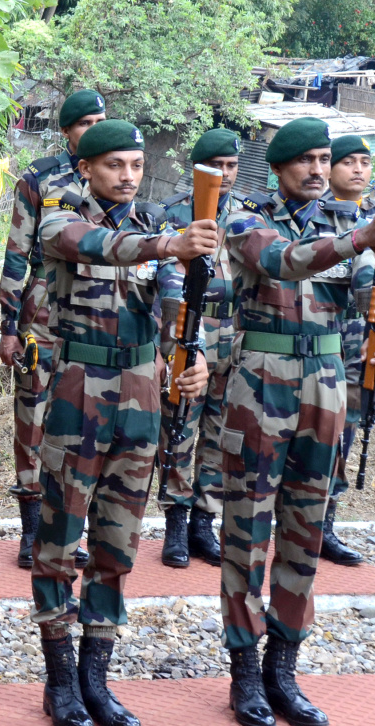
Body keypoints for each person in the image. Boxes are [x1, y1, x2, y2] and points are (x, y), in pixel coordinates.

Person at [32, 119, 216, 726]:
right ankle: (59, 681)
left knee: (117, 542)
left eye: (136, 165)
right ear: (86, 168)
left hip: (139, 397)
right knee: (59, 540)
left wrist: (193, 359)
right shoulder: (60, 221)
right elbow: (96, 248)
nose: (129, 176)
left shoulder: (157, 233)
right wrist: (169, 247)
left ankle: (97, 679)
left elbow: (174, 310)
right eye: (115, 165)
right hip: (78, 392)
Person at [220, 118, 375, 726]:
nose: (320, 170)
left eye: (326, 158)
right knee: (247, 525)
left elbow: (367, 298)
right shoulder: (246, 215)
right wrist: (360, 241)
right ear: (279, 167)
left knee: (305, 522)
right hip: (261, 377)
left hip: (326, 381)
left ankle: (284, 668)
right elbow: (279, 262)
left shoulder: (346, 224)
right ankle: (244, 673)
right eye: (307, 160)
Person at [0, 89, 106, 569]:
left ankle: (71, 529)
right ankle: (30, 529)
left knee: (81, 421)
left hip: (95, 314)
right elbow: (15, 252)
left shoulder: (114, 174)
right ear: (66, 131)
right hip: (42, 310)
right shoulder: (39, 178)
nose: (93, 129)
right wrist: (5, 325)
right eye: (84, 123)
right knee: (33, 413)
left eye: (100, 121)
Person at [157, 128, 243, 568]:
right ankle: (175, 520)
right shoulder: (171, 216)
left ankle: (204, 521)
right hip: (187, 332)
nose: (225, 175)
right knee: (178, 426)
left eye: (231, 166)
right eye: (216, 167)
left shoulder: (248, 218)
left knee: (219, 431)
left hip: (235, 336)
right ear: (196, 170)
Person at [318, 134, 375, 566]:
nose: (358, 169)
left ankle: (325, 525)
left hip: (361, 348)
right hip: (320, 345)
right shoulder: (313, 218)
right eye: (348, 162)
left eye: (365, 162)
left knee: (345, 435)